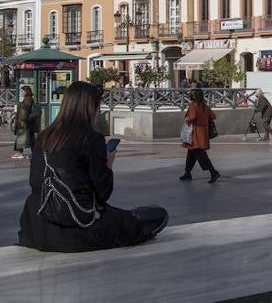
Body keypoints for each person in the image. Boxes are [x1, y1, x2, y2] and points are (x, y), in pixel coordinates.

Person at [18, 81, 167, 252]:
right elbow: (102, 194)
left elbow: (35, 181)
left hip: (36, 229)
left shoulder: (45, 137)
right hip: (75, 229)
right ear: (90, 108)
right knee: (154, 216)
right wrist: (108, 164)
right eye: (98, 107)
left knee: (135, 215)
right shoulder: (90, 138)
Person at [179, 89, 221, 182]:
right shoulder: (204, 106)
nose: (190, 95)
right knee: (191, 153)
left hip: (195, 132)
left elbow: (192, 116)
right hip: (203, 131)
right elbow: (213, 116)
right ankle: (187, 173)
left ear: (194, 96)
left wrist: (187, 119)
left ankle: (213, 172)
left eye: (192, 94)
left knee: (200, 154)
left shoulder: (193, 105)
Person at [12, 85, 41, 160]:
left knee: (21, 136)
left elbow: (25, 111)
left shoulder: (28, 99)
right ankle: (35, 153)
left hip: (25, 122)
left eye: (22, 91)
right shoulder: (28, 99)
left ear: (26, 91)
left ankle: (20, 153)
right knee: (31, 139)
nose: (21, 93)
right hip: (28, 123)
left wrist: (23, 120)